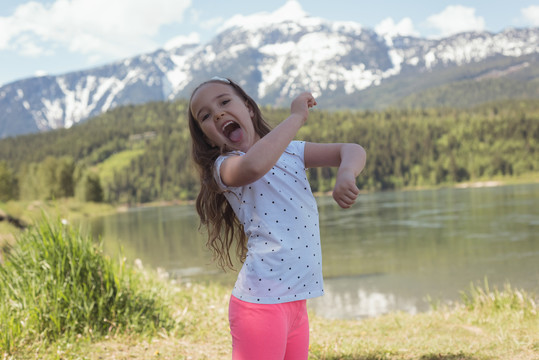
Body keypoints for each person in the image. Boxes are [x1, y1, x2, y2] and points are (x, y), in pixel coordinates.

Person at [188, 77, 366, 360]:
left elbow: (352, 149)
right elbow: (254, 165)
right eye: (206, 116)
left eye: (224, 102)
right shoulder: (224, 169)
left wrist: (346, 172)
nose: (218, 113)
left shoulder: (294, 152)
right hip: (260, 306)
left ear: (248, 108)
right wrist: (296, 116)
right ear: (207, 136)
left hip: (296, 301)